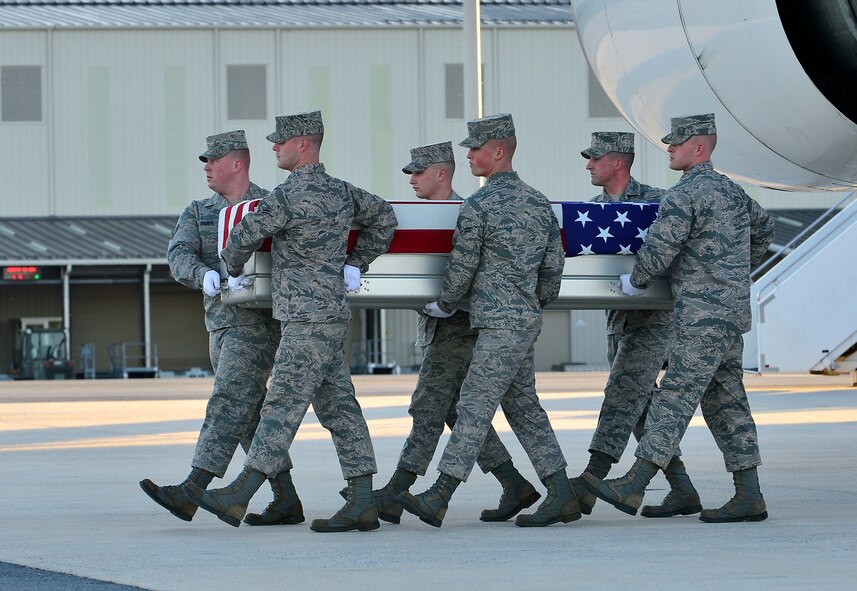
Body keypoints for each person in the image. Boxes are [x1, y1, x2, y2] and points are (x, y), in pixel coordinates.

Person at [185, 111, 397, 533]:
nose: (274, 148)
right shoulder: (342, 192)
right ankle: (362, 500)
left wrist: (233, 268)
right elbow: (386, 218)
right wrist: (356, 262)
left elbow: (241, 236)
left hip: (302, 321)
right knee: (339, 407)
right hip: (333, 316)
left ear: (303, 144)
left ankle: (240, 495)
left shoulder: (285, 197)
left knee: (280, 407)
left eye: (280, 142)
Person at [583, 113, 774, 523]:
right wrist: (735, 272)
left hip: (700, 316)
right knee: (726, 402)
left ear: (700, 148)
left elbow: (661, 247)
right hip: (729, 314)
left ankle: (635, 481)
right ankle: (749, 494)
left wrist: (637, 281)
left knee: (675, 396)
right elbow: (765, 229)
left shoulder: (684, 195)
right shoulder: (733, 192)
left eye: (678, 143)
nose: (669, 148)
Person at [398, 114, 580, 528]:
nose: (469, 155)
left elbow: (462, 269)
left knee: (474, 406)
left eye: (475, 149)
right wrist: (530, 304)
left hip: (496, 326)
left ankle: (440, 494)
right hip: (524, 321)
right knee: (524, 409)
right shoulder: (539, 202)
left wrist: (444, 303)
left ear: (498, 152)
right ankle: (562, 492)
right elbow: (553, 271)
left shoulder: (478, 205)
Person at [364, 141, 540, 524]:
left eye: (418, 172)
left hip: (457, 328)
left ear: (441, 173)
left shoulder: (465, 212)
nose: (411, 179)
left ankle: (398, 490)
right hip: (437, 325)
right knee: (450, 410)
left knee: (430, 405)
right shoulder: (420, 217)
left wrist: (445, 304)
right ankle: (512, 482)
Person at [140, 130, 301, 526]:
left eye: (213, 160)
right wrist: (201, 274)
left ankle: (192, 489)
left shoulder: (270, 205)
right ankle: (287, 498)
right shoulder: (198, 211)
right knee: (247, 414)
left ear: (237, 163)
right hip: (219, 324)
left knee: (229, 400)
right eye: (205, 161)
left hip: (257, 324)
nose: (207, 167)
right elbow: (178, 254)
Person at [570, 132, 701, 519]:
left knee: (623, 391)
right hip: (617, 321)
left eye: (595, 159)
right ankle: (682, 487)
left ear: (618, 163)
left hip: (655, 318)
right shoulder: (589, 212)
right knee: (640, 404)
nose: (589, 166)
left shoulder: (660, 202)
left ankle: (592, 479)